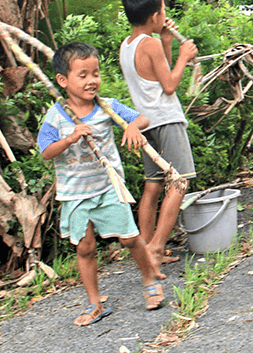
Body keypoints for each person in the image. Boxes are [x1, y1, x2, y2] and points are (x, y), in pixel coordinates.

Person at [38, 43, 165, 326]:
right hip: (75, 195)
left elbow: (142, 118)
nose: (91, 80)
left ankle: (149, 278)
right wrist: (70, 138)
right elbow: (46, 151)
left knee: (130, 239)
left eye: (95, 73)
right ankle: (95, 304)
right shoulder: (56, 116)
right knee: (84, 248)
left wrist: (133, 126)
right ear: (63, 80)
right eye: (82, 75)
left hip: (109, 188)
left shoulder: (107, 107)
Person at [120, 0, 198, 280]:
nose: (165, 15)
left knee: (153, 186)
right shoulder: (148, 45)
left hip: (147, 123)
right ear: (154, 15)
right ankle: (155, 248)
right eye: (163, 10)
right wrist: (183, 55)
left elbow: (155, 73)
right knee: (179, 182)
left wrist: (166, 40)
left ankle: (146, 245)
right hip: (166, 120)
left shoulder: (129, 45)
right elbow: (168, 85)